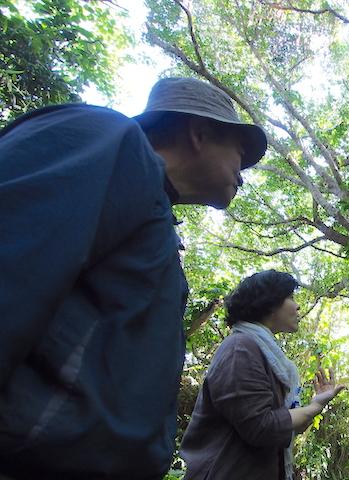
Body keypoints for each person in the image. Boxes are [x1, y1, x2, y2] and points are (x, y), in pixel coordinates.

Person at [0, 77, 268, 479]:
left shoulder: (154, 217)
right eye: (239, 153)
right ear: (199, 133)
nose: (242, 174)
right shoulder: (107, 140)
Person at [179, 270, 344, 480]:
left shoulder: (264, 352)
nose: (298, 306)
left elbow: (285, 427)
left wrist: (315, 403)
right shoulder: (241, 349)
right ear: (270, 303)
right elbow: (261, 427)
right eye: (291, 298)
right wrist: (313, 408)